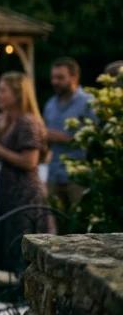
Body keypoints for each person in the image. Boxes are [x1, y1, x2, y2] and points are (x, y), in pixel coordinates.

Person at [0, 72, 53, 272]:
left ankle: (23, 296)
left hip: (25, 194)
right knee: (7, 244)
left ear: (18, 94)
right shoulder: (5, 121)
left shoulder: (28, 122)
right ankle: (7, 295)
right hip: (8, 192)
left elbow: (30, 161)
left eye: (3, 91)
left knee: (21, 246)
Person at [42, 57, 95, 208]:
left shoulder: (88, 103)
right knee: (55, 226)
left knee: (80, 226)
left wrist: (63, 138)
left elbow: (95, 140)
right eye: (53, 77)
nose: (55, 82)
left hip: (78, 177)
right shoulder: (50, 104)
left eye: (60, 77)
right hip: (54, 174)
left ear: (74, 77)